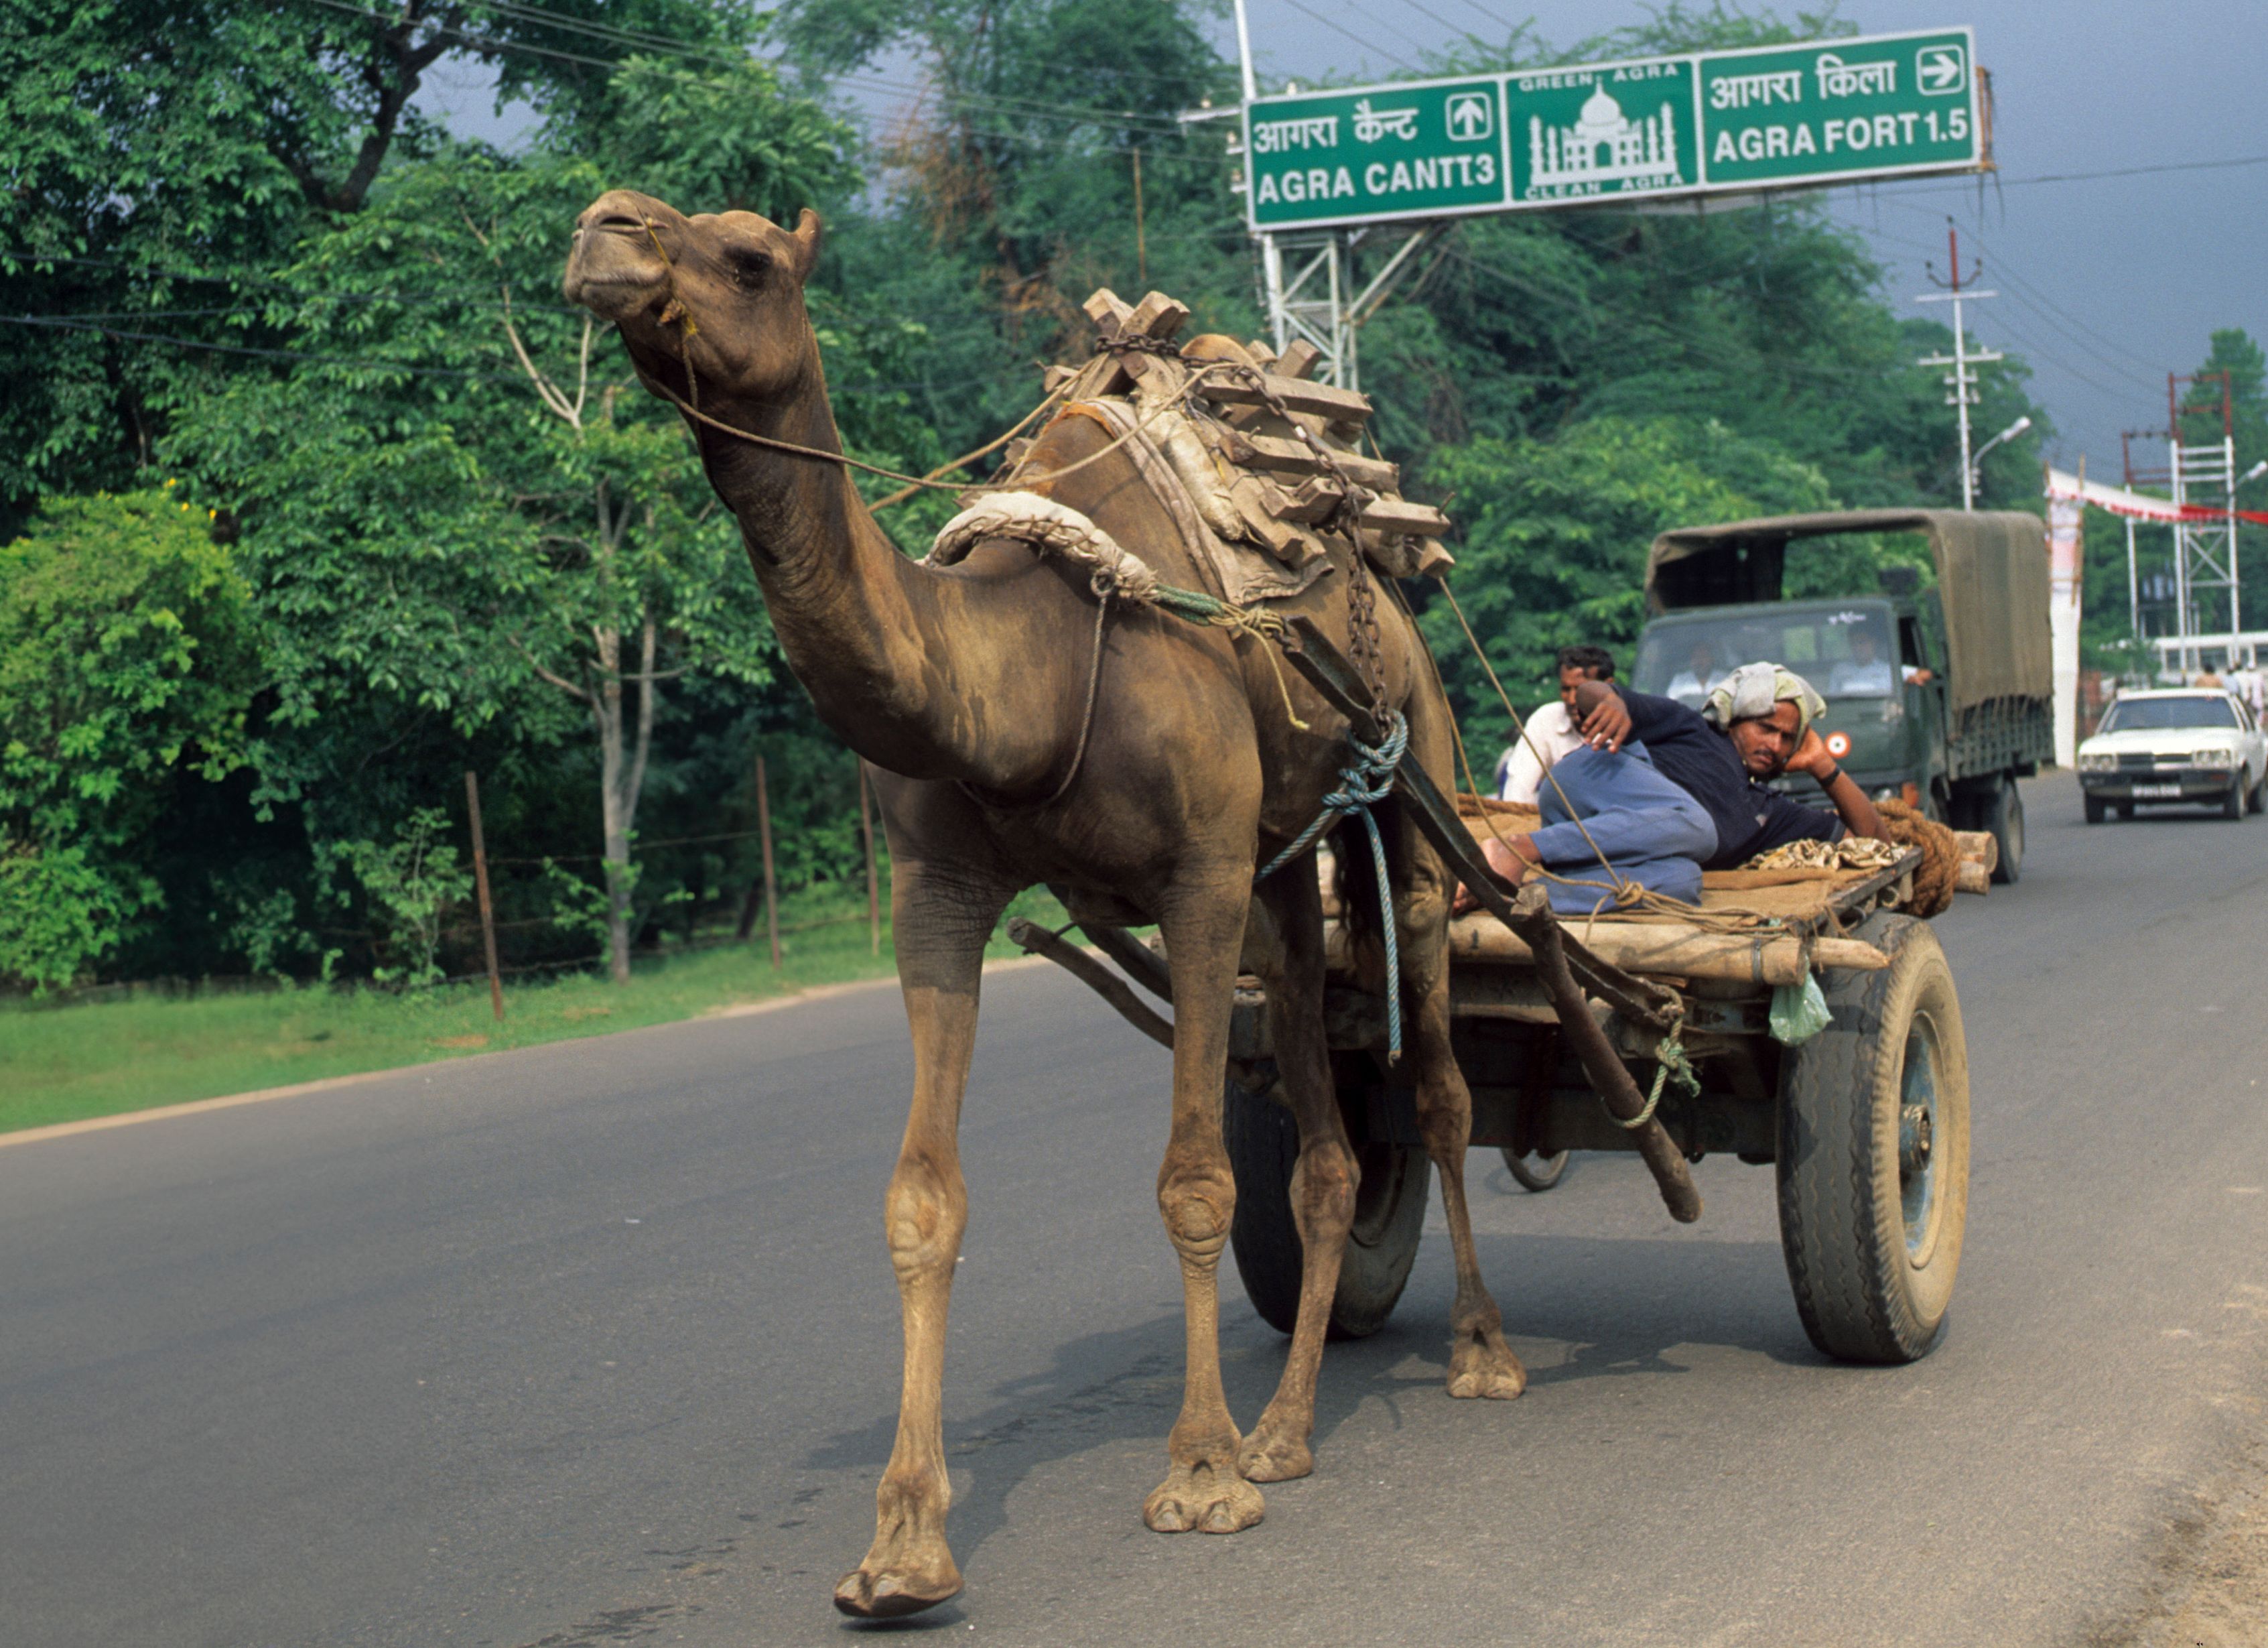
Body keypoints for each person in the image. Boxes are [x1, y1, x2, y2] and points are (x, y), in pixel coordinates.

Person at [1465, 661, 1889, 913]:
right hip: (1589, 787)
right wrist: (1609, 704)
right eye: (1765, 728)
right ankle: (1522, 848)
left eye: (1787, 738)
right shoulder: (1692, 728)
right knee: (1698, 827)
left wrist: (1822, 765)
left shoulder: (1770, 813)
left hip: (1604, 855)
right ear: (1735, 719)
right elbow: (1597, 692)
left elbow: (1877, 843)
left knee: (1685, 881)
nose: (1774, 745)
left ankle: (1524, 899)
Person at [1495, 645, 1618, 806]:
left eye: (1582, 690)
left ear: (1608, 686)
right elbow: (1518, 788)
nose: (1573, 700)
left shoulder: (1631, 724)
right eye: (1566, 689)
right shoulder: (1546, 719)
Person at [1666, 639, 1721, 705]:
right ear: (1691, 660)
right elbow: (1671, 706)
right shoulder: (1679, 681)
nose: (1700, 661)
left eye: (1704, 656)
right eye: (1696, 657)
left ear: (1712, 659)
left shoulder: (1725, 679)